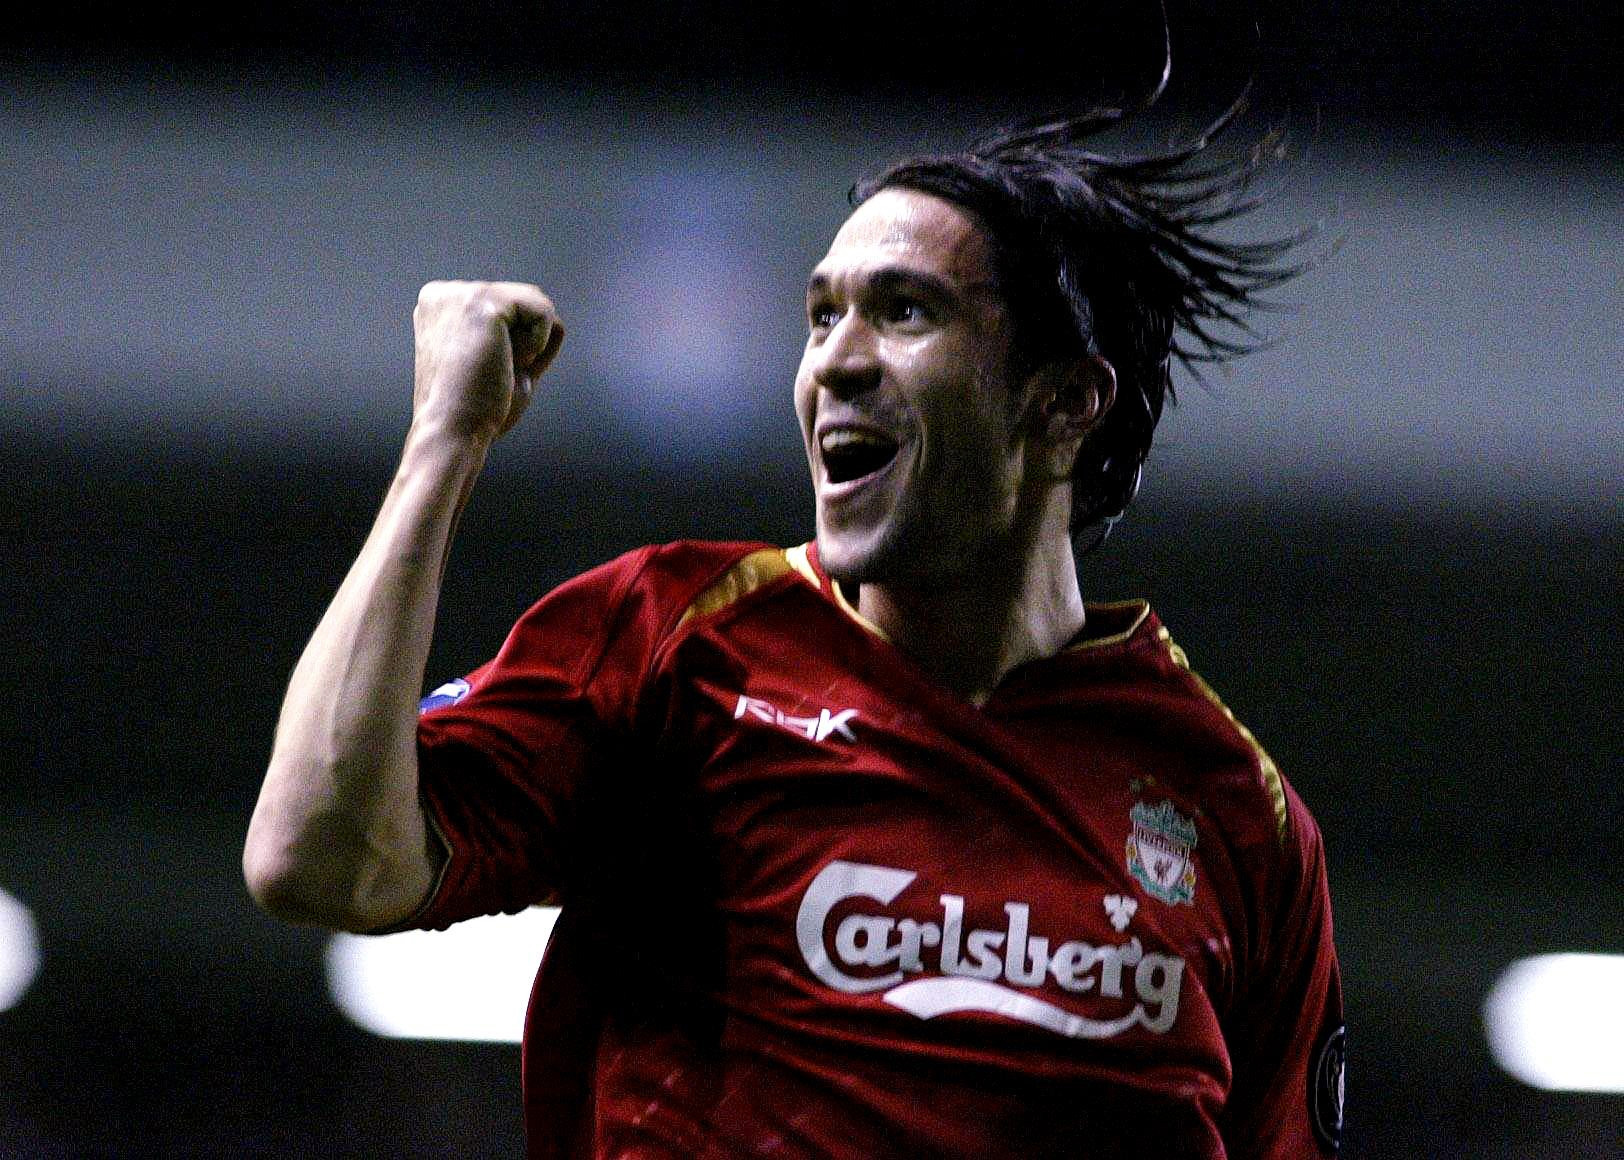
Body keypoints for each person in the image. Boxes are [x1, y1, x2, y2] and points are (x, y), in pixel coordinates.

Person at [244, 96, 1345, 1158]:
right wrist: (443, 441)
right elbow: (322, 860)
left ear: (1062, 404)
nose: (834, 362)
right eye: (822, 316)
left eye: (904, 311)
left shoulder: (1235, 814)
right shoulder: (673, 644)